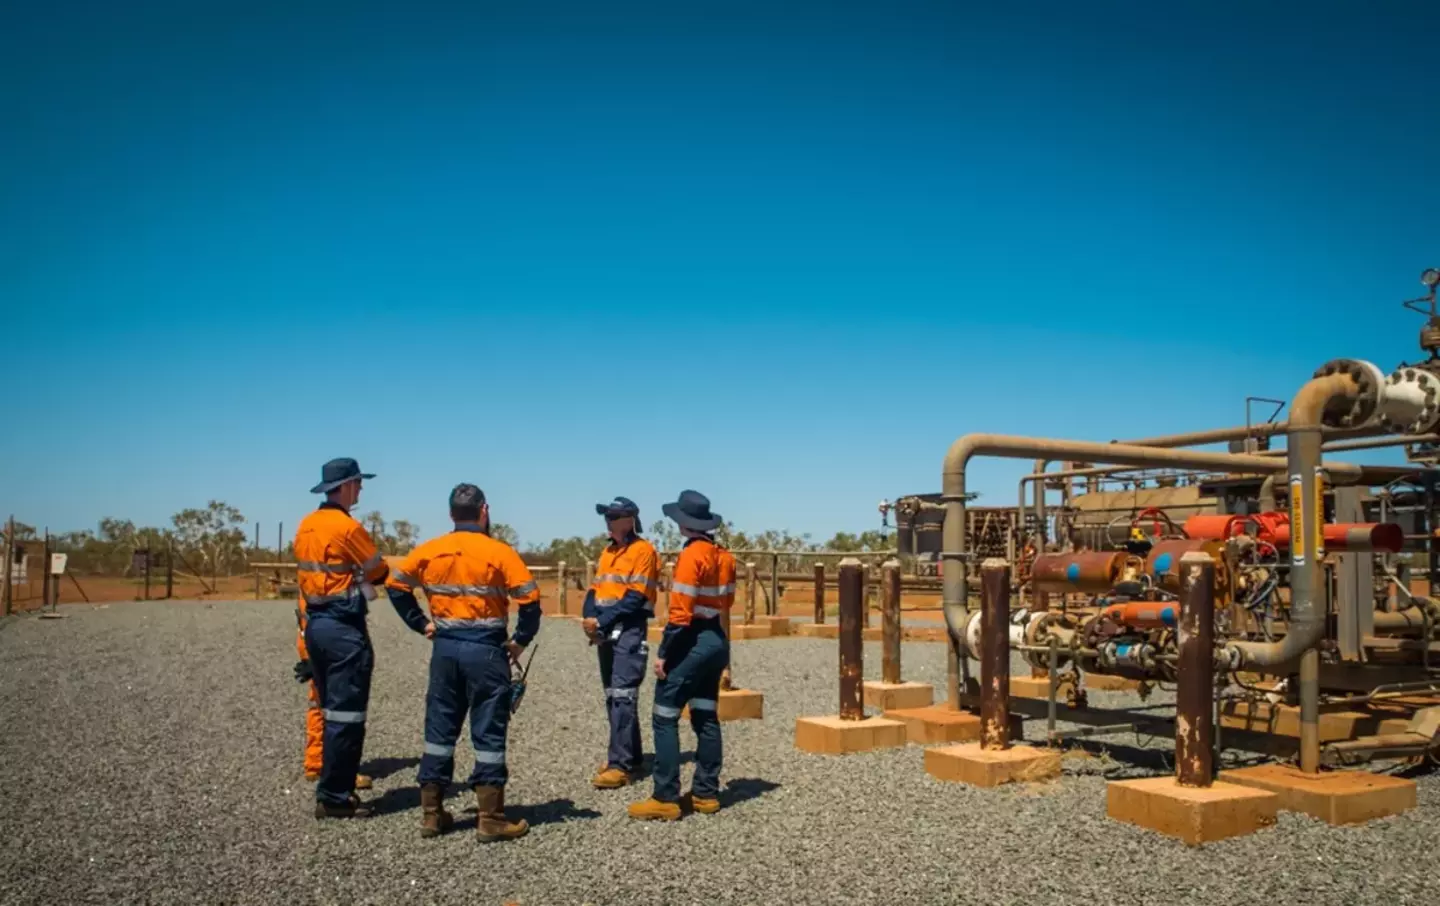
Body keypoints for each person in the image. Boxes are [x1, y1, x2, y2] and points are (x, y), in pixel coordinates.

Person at [385, 483, 542, 841]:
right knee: (488, 731)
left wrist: (421, 623)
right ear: (484, 511)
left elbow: (396, 586)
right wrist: (518, 643)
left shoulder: (430, 550)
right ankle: (490, 817)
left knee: (438, 732)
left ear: (451, 513)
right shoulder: (500, 552)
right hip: (486, 651)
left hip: (445, 649)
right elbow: (530, 602)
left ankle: (431, 814)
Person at [293, 458, 394, 819]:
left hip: (315, 623)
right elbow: (378, 569)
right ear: (348, 485)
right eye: (358, 484)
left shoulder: (306, 526)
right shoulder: (346, 527)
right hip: (343, 627)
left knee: (327, 707)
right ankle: (337, 796)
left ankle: (329, 784)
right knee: (347, 714)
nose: (361, 490)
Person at [628, 490, 735, 821]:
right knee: (705, 714)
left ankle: (666, 796)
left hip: (691, 639)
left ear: (683, 523)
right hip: (716, 638)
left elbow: (680, 613)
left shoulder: (692, 556)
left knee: (664, 714)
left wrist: (664, 654)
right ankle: (705, 794)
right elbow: (727, 602)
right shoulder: (725, 556)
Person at [582, 496, 660, 789]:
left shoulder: (644, 552)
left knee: (624, 695)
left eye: (614, 517)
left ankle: (620, 765)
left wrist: (601, 621)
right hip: (605, 632)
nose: (608, 521)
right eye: (607, 516)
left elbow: (636, 597)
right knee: (614, 696)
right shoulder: (607, 552)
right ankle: (631, 756)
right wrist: (590, 618)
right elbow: (594, 590)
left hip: (628, 631)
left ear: (630, 520)